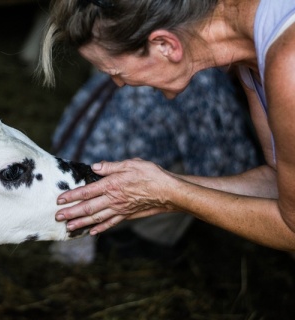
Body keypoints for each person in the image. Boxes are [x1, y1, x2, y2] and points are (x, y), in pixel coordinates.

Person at [37, 0, 295, 251]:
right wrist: (159, 189)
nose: (118, 84)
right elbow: (277, 182)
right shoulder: (253, 50)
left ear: (165, 45)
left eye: (116, 72)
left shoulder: (288, 63)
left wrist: (171, 194)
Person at [49, 68, 262, 265]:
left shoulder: (135, 54)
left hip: (60, 181)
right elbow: (225, 165)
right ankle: (141, 243)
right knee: (199, 173)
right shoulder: (201, 76)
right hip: (96, 201)